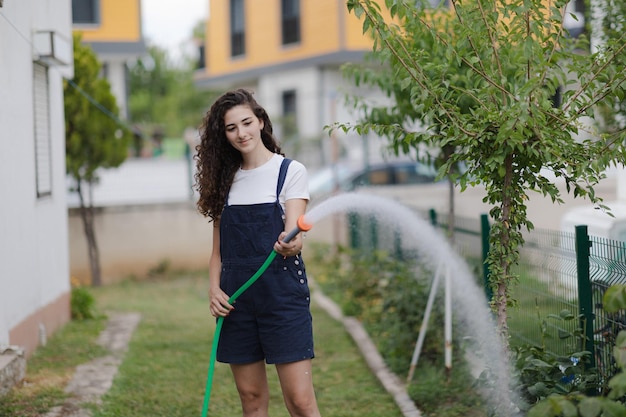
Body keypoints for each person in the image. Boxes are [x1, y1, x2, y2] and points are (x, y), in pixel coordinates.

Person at [195, 88, 321, 417]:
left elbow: (295, 236)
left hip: (282, 298)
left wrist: (291, 243)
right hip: (236, 301)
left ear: (261, 121)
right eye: (231, 128)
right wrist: (214, 290)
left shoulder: (290, 172)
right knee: (251, 400)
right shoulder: (225, 181)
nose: (241, 133)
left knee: (300, 401)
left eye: (246, 123)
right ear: (223, 135)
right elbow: (217, 253)